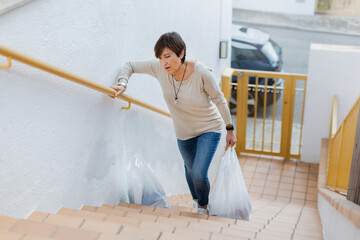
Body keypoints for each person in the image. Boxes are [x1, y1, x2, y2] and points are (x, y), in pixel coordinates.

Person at [110, 32, 236, 215]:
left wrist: (230, 129)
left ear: (181, 53)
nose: (164, 62)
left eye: (167, 56)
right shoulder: (159, 69)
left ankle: (203, 205)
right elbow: (129, 65)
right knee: (189, 170)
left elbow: (219, 100)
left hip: (209, 128)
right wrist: (122, 84)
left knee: (199, 173)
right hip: (184, 133)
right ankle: (196, 200)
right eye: (160, 58)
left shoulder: (201, 72)